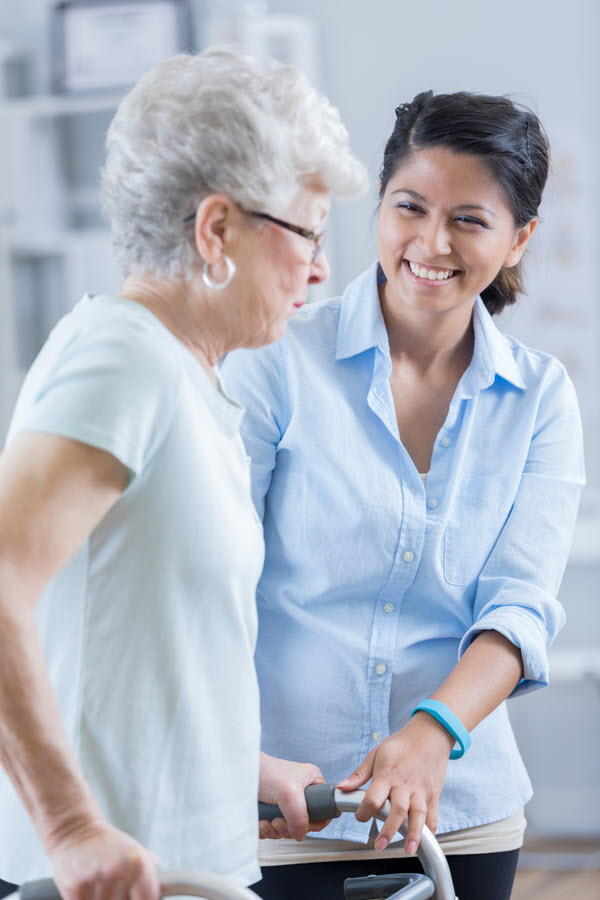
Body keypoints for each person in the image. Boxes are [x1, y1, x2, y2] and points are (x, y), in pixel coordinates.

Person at [0, 47, 366, 900]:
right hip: (110, 882)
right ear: (216, 231)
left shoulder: (184, 376)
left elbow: (150, 643)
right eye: (308, 233)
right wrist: (70, 827)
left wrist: (246, 763)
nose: (320, 267)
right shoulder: (122, 358)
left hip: (198, 870)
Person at [220, 90, 585, 900]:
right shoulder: (276, 358)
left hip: (460, 814)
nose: (430, 242)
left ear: (519, 237)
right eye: (409, 207)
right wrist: (229, 757)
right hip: (282, 805)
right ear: (378, 205)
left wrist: (434, 733)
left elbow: (519, 605)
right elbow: (210, 578)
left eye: (469, 219)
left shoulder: (540, 397)